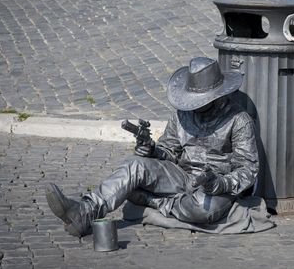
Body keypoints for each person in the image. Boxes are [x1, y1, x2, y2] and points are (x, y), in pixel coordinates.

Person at [45, 57, 259, 237]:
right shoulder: (183, 113)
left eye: (200, 101)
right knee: (133, 165)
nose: (195, 105)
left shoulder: (239, 120)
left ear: (217, 96)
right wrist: (151, 150)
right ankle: (84, 212)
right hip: (182, 176)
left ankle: (151, 200)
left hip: (214, 186)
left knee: (204, 210)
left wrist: (220, 184)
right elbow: (168, 150)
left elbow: (248, 170)